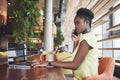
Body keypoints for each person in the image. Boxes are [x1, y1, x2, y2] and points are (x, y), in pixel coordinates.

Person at [32, 8, 99, 80]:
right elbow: (75, 58)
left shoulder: (86, 39)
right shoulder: (88, 37)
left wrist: (49, 63)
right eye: (75, 23)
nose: (76, 26)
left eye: (78, 22)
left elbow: (75, 65)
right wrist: (75, 42)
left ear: (87, 22)